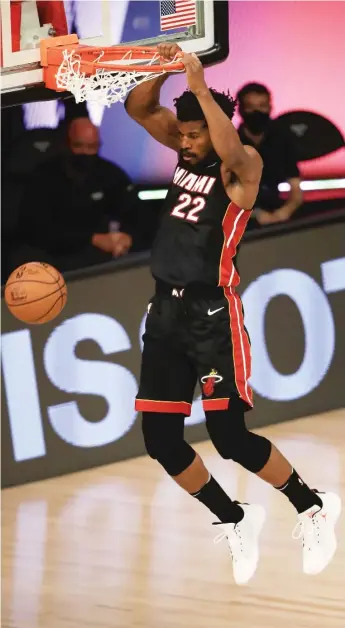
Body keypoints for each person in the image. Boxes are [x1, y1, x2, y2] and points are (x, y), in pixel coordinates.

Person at [125, 44, 341, 585]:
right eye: (185, 133)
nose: (186, 140)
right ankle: (234, 517)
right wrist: (162, 70)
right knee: (161, 442)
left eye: (196, 133)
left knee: (231, 439)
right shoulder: (186, 150)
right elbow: (138, 110)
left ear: (216, 128)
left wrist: (200, 86)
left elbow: (227, 144)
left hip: (212, 316)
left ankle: (313, 506)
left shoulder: (242, 168)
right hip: (166, 316)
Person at [8, 117, 135, 274]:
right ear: (66, 145)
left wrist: (127, 238)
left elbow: (135, 212)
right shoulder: (43, 177)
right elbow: (38, 230)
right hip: (54, 256)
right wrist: (93, 239)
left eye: (91, 147)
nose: (85, 153)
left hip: (100, 257)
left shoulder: (110, 174)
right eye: (79, 146)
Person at [236, 82, 303, 227]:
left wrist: (285, 211)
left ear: (270, 107)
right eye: (250, 107)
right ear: (240, 110)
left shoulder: (282, 139)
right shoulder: (229, 144)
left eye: (262, 106)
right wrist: (254, 214)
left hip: (277, 211)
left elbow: (296, 188)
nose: (257, 112)